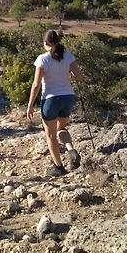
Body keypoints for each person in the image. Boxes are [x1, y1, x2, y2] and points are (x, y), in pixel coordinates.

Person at [27, 30, 83, 177]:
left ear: (45, 43)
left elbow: (36, 84)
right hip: (68, 97)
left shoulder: (42, 59)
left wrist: (30, 105)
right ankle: (71, 150)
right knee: (62, 128)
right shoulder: (68, 55)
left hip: (50, 99)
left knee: (50, 135)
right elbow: (79, 77)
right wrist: (69, 71)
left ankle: (59, 167)